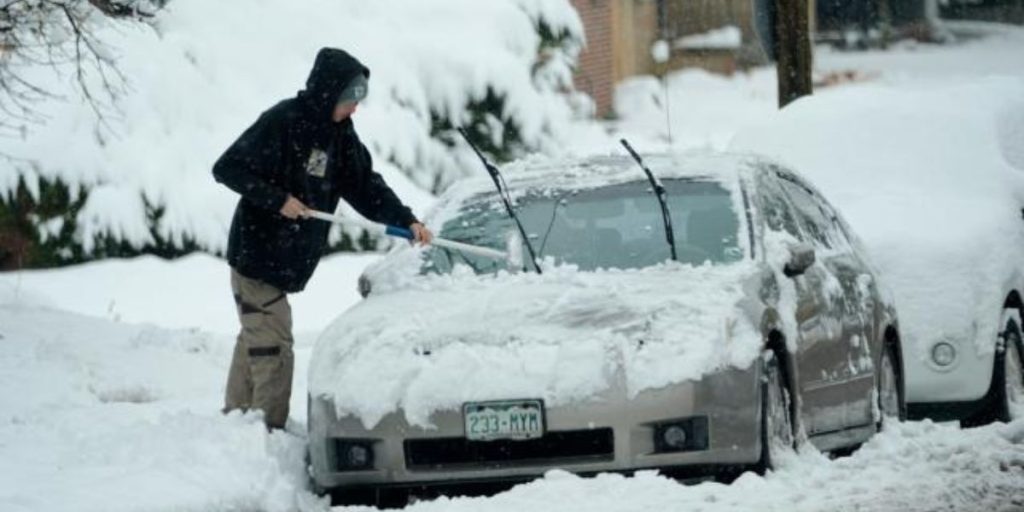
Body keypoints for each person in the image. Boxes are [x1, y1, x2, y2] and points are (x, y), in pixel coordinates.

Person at [212, 47, 432, 429]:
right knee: (273, 345)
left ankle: (236, 424)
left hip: (285, 261)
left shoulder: (341, 136)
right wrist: (278, 200)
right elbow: (227, 168)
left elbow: (365, 186)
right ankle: (265, 431)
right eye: (349, 100)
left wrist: (406, 220)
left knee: (257, 335)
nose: (353, 109)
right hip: (256, 254)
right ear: (328, 92)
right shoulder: (283, 121)